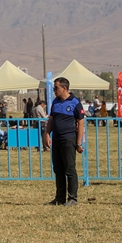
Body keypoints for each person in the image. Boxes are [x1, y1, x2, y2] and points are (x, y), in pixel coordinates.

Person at [41, 77, 84, 206]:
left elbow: (80, 123)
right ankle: (59, 198)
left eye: (56, 88)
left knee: (69, 169)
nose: (54, 90)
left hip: (69, 139)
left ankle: (73, 198)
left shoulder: (75, 103)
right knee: (58, 169)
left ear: (64, 88)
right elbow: (51, 120)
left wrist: (78, 143)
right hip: (57, 139)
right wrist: (47, 134)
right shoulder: (55, 102)